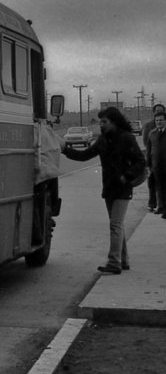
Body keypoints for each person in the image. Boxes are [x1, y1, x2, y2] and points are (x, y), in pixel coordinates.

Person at [62, 107, 146, 274]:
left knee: (115, 224)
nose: (101, 124)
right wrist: (65, 149)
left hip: (123, 188)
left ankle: (114, 262)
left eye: (104, 122)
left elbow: (140, 161)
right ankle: (124, 261)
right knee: (117, 225)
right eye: (100, 121)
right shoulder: (102, 140)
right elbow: (85, 155)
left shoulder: (126, 138)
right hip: (109, 188)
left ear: (114, 122)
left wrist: (127, 176)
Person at [142, 103, 165, 211]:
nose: (158, 112)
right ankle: (153, 204)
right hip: (154, 159)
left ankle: (162, 206)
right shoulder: (149, 127)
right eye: (156, 111)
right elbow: (147, 143)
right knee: (153, 183)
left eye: (161, 110)